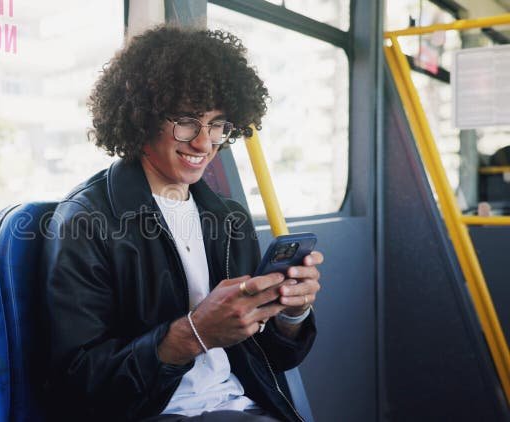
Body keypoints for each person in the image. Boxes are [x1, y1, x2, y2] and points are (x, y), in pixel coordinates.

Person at [41, 26, 323, 422]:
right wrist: (194, 334)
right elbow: (81, 386)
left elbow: (275, 358)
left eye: (218, 124)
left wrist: (291, 314)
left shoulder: (228, 219)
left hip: (241, 407)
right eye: (188, 122)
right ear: (142, 118)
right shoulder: (85, 221)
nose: (204, 143)